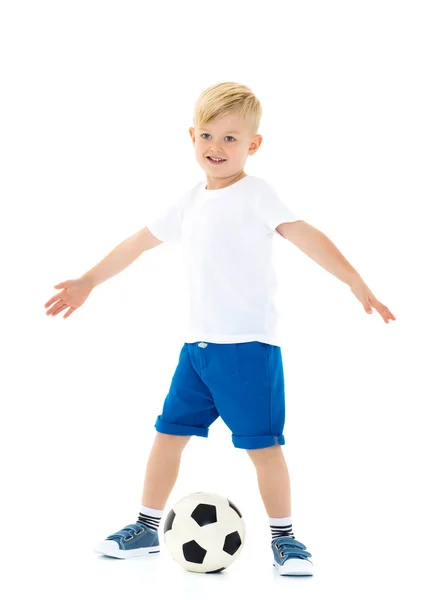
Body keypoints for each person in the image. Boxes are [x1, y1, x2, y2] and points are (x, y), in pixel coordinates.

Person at [44, 82, 396, 577]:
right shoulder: (188, 201)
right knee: (167, 437)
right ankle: (146, 527)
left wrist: (354, 282)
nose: (216, 147)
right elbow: (136, 243)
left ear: (253, 145)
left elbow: (308, 237)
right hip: (198, 349)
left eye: (231, 139)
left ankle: (286, 540)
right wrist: (88, 281)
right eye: (207, 135)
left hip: (248, 350)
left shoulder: (257, 194)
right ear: (191, 136)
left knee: (262, 447)